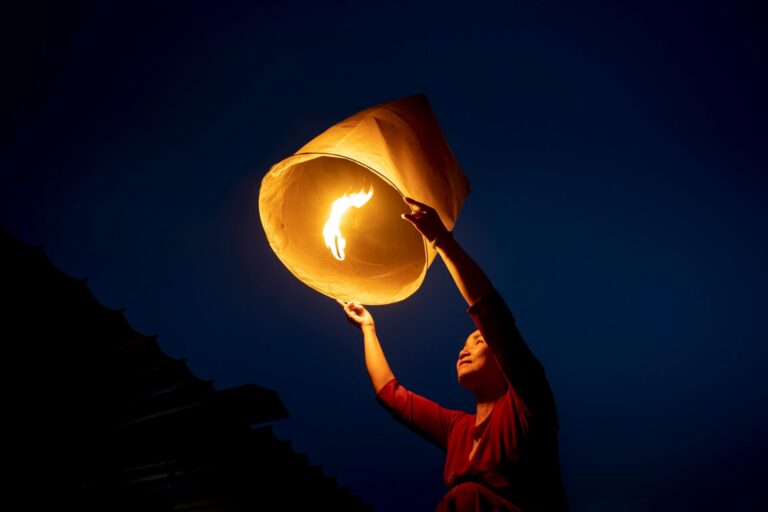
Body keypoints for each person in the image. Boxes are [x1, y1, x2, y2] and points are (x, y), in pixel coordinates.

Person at [338, 197, 569, 511]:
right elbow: (391, 394)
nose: (465, 348)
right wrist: (368, 329)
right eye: (464, 344)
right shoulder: (457, 428)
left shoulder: (528, 402)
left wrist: (441, 240)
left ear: (504, 359)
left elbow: (490, 313)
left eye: (478, 341)